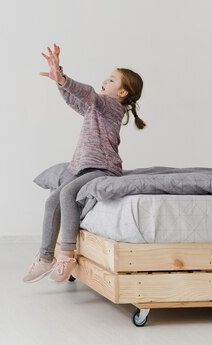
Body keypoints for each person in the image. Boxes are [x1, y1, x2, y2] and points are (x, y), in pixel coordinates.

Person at [23, 43, 146, 283]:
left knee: (68, 193)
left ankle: (66, 255)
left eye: (112, 80)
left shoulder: (112, 107)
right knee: (52, 201)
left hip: (104, 169)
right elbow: (75, 101)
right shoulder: (96, 109)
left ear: (122, 93)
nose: (105, 81)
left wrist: (64, 78)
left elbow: (88, 93)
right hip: (83, 167)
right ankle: (46, 257)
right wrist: (59, 80)